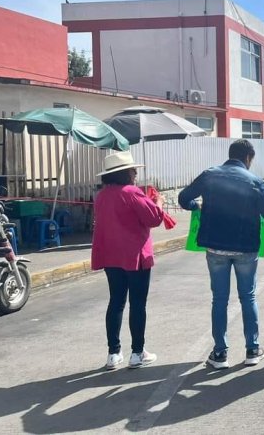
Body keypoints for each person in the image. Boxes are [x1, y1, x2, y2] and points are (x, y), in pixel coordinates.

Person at [179, 139, 264, 370]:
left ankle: (220, 353)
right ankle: (252, 349)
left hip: (215, 248)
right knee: (248, 296)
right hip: (246, 248)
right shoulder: (255, 182)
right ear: (248, 158)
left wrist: (196, 206)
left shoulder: (210, 175)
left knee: (219, 299)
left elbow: (184, 198)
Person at [92, 151, 165, 370]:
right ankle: (137, 352)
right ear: (126, 173)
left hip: (110, 255)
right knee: (138, 303)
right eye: (133, 170)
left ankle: (114, 353)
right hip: (135, 256)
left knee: (116, 302)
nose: (135, 173)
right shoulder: (132, 193)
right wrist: (159, 201)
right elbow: (154, 218)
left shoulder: (102, 196)